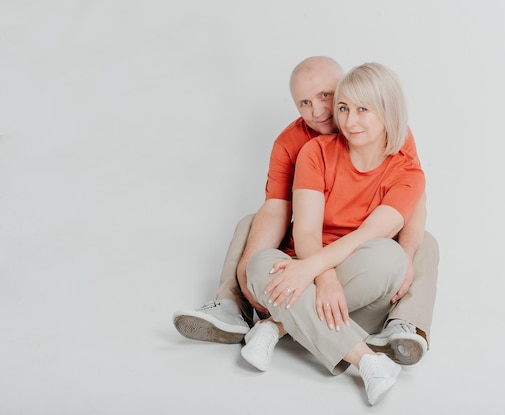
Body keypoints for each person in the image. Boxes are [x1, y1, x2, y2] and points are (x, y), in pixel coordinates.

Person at [172, 56, 439, 366]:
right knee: (250, 227)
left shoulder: (385, 128)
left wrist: (405, 255)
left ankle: (401, 322)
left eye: (327, 96)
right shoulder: (295, 143)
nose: (319, 110)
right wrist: (249, 271)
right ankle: (233, 305)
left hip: (361, 253)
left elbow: (412, 196)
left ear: (346, 89)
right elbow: (276, 208)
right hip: (310, 246)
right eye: (305, 102)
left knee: (423, 243)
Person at [241, 62, 425, 405]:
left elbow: (366, 235)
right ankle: (367, 360)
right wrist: (323, 277)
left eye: (362, 110)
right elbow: (306, 229)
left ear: (387, 110)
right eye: (344, 109)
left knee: (390, 257)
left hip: (354, 269)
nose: (349, 121)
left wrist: (316, 276)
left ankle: (277, 327)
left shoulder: (408, 171)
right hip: (307, 263)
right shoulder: (313, 151)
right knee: (259, 263)